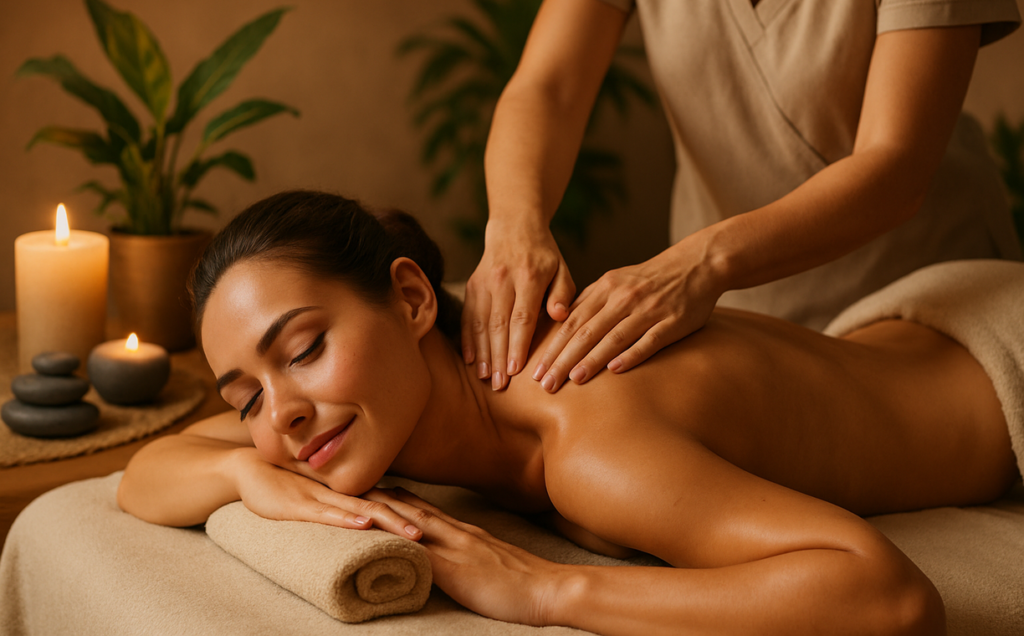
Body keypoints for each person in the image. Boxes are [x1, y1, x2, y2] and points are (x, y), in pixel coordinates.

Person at [119, 190, 1023, 635]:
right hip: (905, 326)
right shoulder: (405, 388)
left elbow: (890, 596)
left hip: (1002, 364)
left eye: (304, 348)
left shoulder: (584, 442)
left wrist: (547, 588)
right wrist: (243, 469)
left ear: (412, 298)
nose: (283, 416)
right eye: (246, 398)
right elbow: (143, 472)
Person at [464, 0, 1023, 393]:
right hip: (731, 311)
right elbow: (550, 88)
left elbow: (894, 168)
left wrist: (705, 262)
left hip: (923, 304)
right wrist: (515, 226)